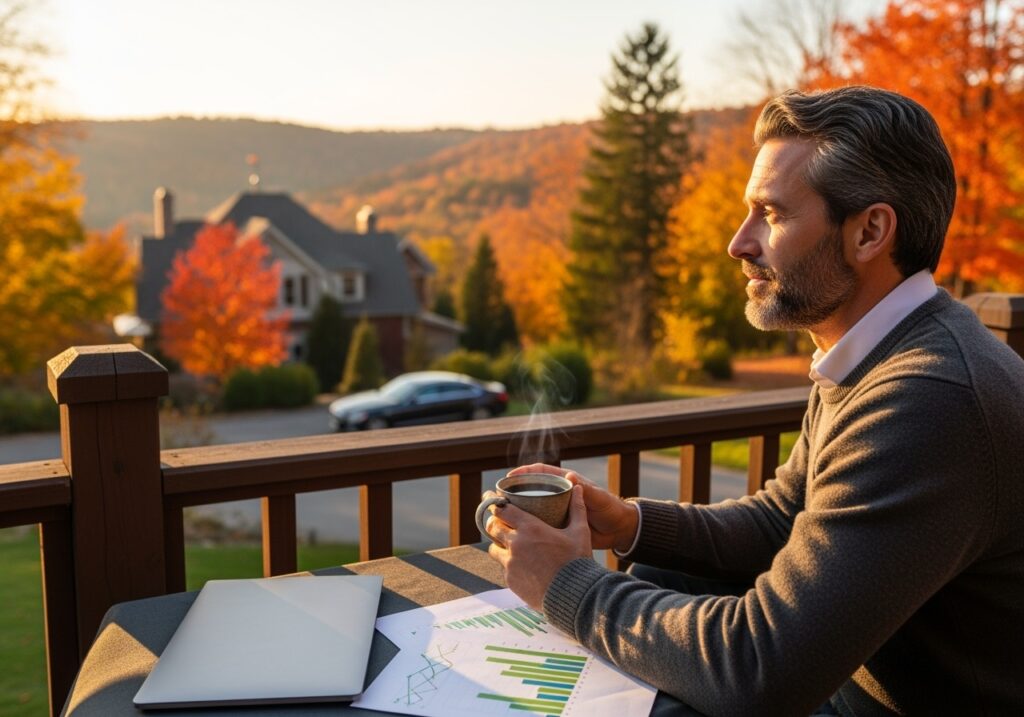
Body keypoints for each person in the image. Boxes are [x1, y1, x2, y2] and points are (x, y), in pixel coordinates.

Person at [482, 86, 1024, 716]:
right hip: (857, 686)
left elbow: (758, 670)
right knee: (658, 580)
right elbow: (782, 521)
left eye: (770, 214)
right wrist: (630, 522)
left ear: (870, 231)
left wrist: (563, 585)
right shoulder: (874, 354)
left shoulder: (927, 399)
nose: (738, 244)